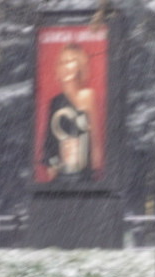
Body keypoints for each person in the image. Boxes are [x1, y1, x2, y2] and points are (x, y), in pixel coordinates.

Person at [42, 44, 100, 182]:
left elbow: (95, 140)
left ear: (79, 65)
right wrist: (55, 166)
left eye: (70, 61)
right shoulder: (55, 102)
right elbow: (50, 143)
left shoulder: (88, 96)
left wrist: (96, 172)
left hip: (84, 174)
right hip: (63, 175)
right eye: (62, 62)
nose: (65, 67)